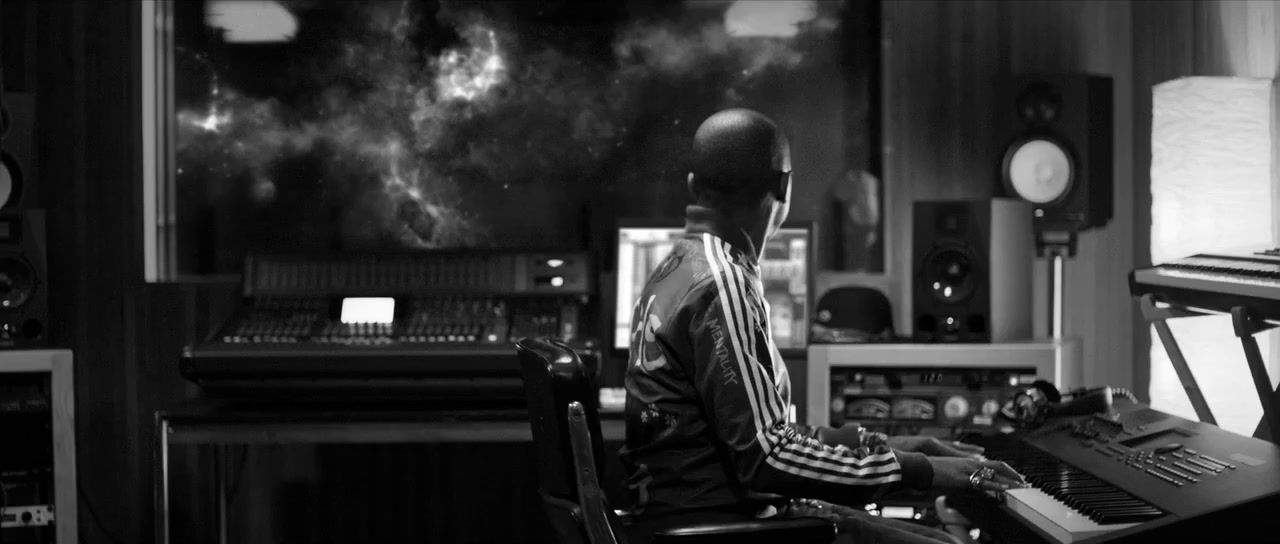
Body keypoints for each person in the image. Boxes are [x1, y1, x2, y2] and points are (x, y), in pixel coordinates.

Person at [619, 108, 1026, 544]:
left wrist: (892, 444)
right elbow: (769, 458)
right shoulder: (721, 283)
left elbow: (761, 438)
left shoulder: (678, 266)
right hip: (721, 525)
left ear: (693, 187)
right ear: (784, 186)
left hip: (699, 516)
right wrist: (918, 471)